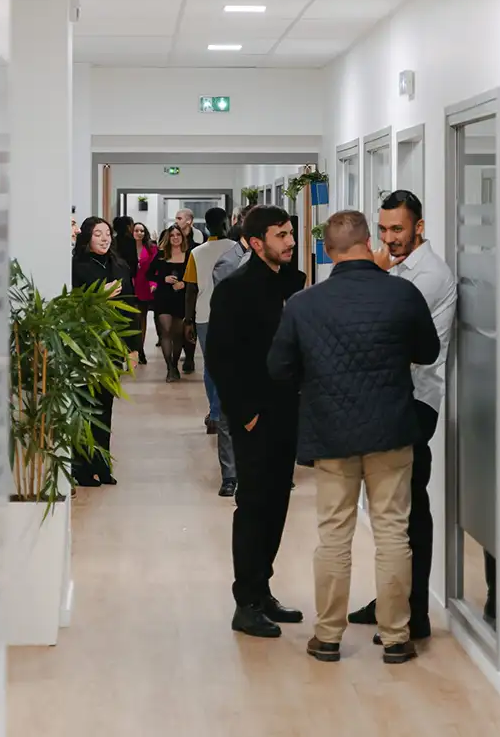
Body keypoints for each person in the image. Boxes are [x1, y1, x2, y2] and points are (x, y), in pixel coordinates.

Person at [267, 211, 439, 664]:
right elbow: (428, 352)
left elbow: (279, 369)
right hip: (392, 429)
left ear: (328, 250)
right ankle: (397, 637)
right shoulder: (403, 293)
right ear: (369, 242)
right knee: (392, 533)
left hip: (331, 432)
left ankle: (327, 636)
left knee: (334, 535)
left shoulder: (304, 304)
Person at [347, 190, 457, 644]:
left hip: (416, 401)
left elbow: (375, 327)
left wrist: (373, 271)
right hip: (392, 397)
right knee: (390, 508)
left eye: (398, 229)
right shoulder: (396, 271)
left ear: (419, 228)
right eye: (384, 229)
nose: (389, 238)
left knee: (410, 509)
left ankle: (413, 614)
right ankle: (393, 599)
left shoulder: (425, 276)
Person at [206, 206, 305, 638]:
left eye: (290, 233)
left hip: (287, 411)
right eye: (281, 235)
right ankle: (245, 601)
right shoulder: (234, 290)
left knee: (278, 502)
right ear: (254, 242)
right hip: (254, 417)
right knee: (254, 505)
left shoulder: (288, 283)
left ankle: (262, 589)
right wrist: (244, 415)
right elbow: (221, 359)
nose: (290, 241)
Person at [71, 216, 140, 487]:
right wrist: (100, 294)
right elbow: (70, 305)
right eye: (98, 234)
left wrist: (133, 347)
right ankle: (82, 469)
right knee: (84, 406)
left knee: (105, 407)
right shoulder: (76, 266)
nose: (104, 238)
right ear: (87, 237)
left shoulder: (119, 265)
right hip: (84, 343)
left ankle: (102, 465)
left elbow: (131, 307)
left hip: (111, 346)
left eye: (107, 233)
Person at [184, 208, 236, 492]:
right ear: (227, 223)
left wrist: (188, 319)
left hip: (204, 314)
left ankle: (215, 413)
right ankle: (221, 412)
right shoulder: (237, 250)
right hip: (230, 315)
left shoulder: (197, 252)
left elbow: (190, 289)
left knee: (211, 366)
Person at [147, 225, 188, 383]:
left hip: (180, 298)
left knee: (178, 334)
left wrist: (184, 283)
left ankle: (175, 364)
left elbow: (194, 276)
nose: (176, 237)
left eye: (178, 234)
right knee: (166, 331)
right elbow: (148, 274)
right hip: (163, 296)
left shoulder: (189, 255)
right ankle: (170, 367)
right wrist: (162, 279)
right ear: (168, 238)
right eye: (172, 235)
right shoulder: (161, 255)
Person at [174, 208, 202, 372]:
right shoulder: (172, 234)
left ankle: (189, 357)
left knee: (190, 320)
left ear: (189, 221)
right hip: (175, 286)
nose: (176, 221)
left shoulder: (198, 238)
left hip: (191, 285)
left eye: (179, 218)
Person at [132, 222, 157, 365]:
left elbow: (156, 269)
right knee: (132, 319)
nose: (139, 233)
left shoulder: (151, 248)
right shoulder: (127, 248)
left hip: (144, 286)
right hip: (130, 286)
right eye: (136, 230)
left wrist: (154, 283)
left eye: (142, 230)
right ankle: (133, 349)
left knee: (141, 318)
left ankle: (140, 349)